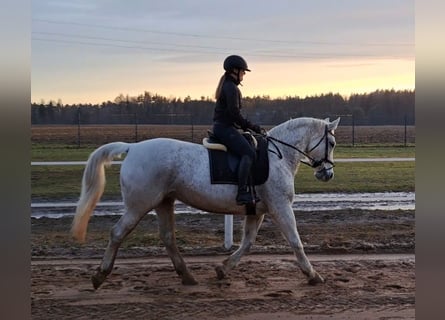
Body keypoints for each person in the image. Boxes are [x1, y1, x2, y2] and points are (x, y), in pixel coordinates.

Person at [212, 55, 263, 205]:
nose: (244, 74)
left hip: (225, 127)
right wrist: (252, 126)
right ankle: (242, 193)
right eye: (243, 71)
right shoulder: (231, 88)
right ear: (235, 70)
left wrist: (246, 128)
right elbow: (234, 114)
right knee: (249, 153)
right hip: (224, 128)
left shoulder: (228, 86)